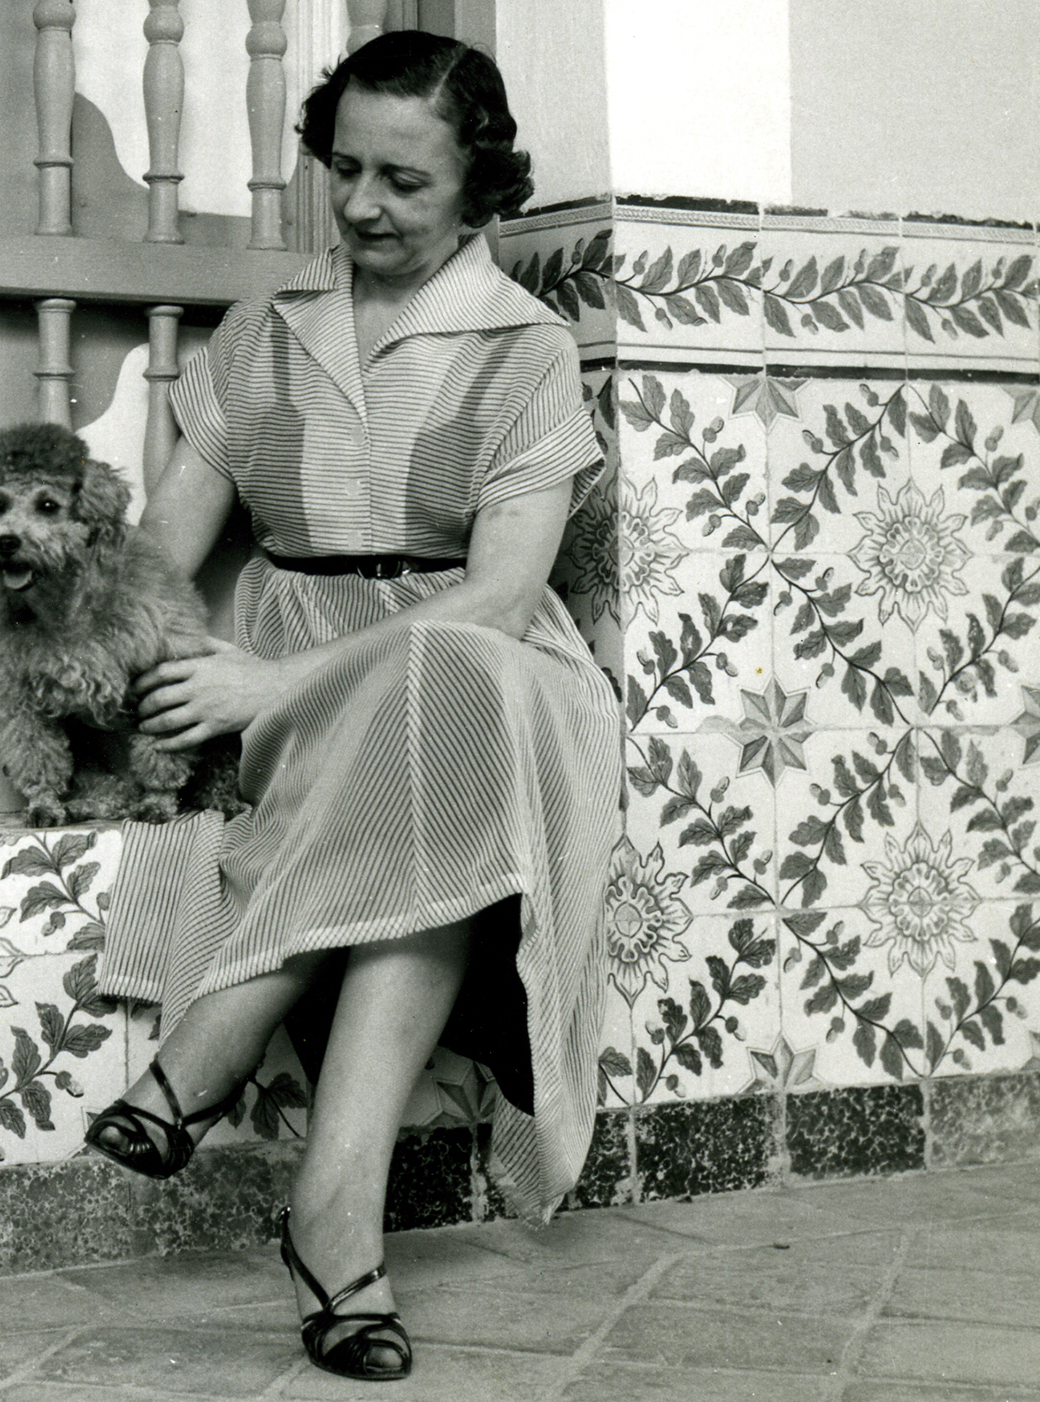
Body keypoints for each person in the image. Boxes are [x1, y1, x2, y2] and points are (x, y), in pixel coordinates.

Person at [84, 30, 622, 1383]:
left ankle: (223, 1050)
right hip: (310, 679)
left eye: (406, 181)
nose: (365, 205)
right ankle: (333, 1226)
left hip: (489, 675)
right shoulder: (262, 332)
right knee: (422, 766)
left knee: (448, 684)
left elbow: (501, 596)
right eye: (346, 170)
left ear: (478, 188)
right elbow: (164, 551)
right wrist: (117, 670)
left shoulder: (527, 348)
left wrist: (275, 683)